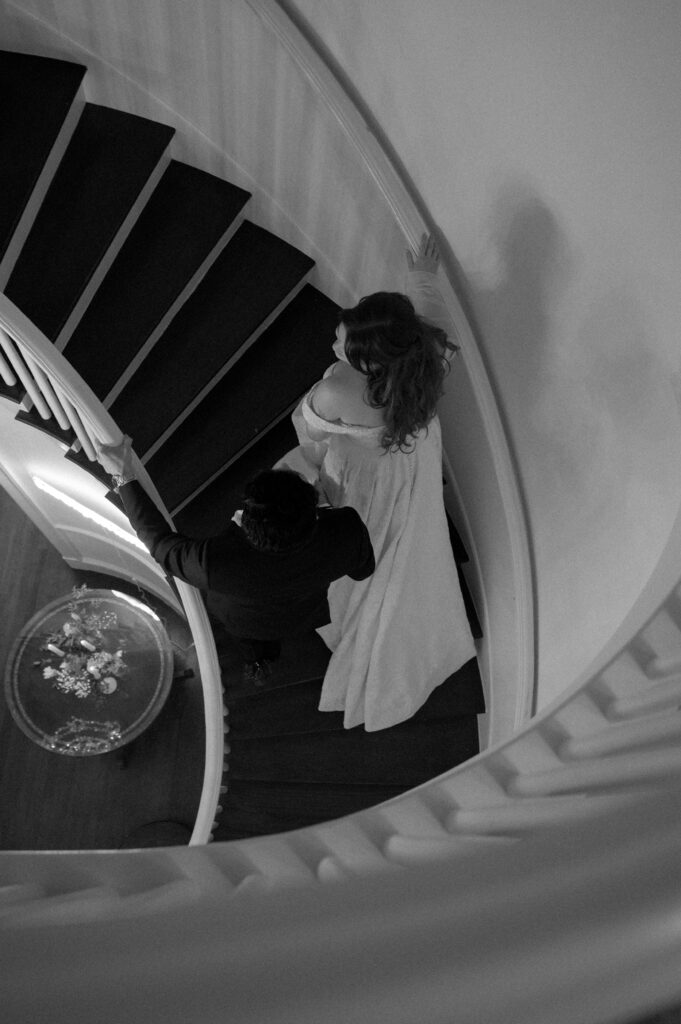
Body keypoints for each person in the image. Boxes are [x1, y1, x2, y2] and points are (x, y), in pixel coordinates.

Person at [276, 233, 477, 730]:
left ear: (369, 360)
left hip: (363, 475)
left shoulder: (337, 390)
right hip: (411, 460)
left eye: (342, 343)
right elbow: (423, 316)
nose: (333, 345)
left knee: (364, 527)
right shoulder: (427, 353)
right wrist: (421, 278)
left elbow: (311, 432)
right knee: (403, 525)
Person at [94, 443, 375, 684]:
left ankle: (257, 661)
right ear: (313, 513)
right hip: (302, 613)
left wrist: (123, 476)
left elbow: (159, 543)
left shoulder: (214, 563)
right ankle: (260, 657)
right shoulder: (345, 532)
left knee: (250, 642)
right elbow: (364, 571)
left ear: (244, 519)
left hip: (244, 621)